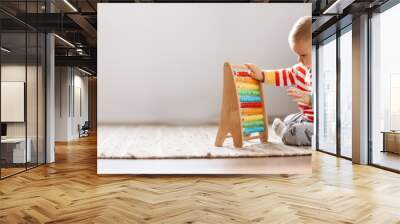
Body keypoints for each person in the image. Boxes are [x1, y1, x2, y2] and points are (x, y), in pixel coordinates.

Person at [245, 16, 313, 146]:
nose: (299, 60)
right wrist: (262, 75)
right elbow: (283, 75)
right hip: (306, 117)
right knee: (289, 119)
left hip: (320, 125)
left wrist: (309, 99)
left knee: (296, 132)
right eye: (297, 55)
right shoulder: (301, 69)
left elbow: (329, 101)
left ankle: (285, 134)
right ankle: (289, 128)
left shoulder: (325, 71)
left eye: (303, 55)